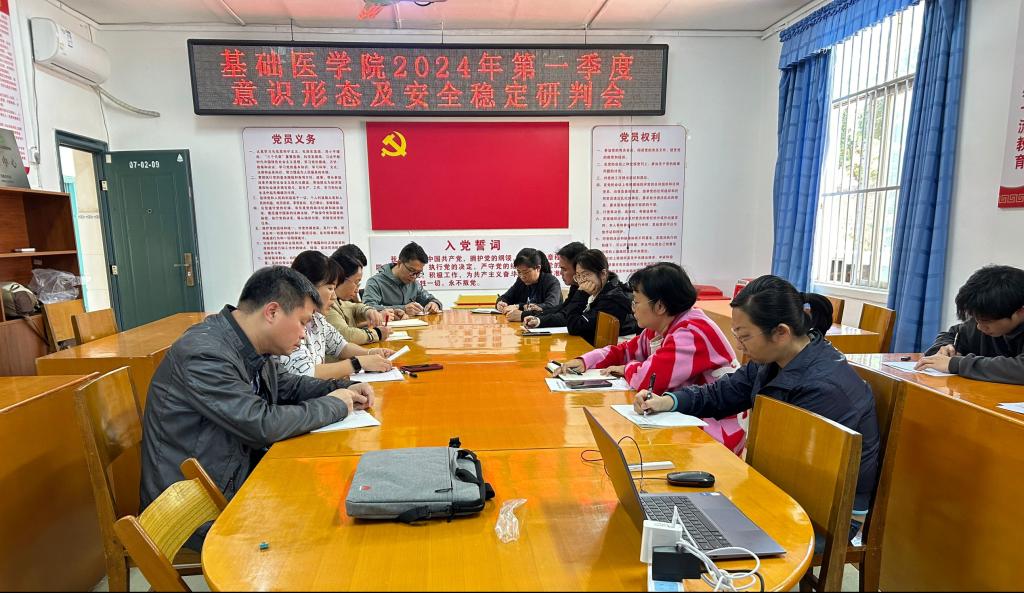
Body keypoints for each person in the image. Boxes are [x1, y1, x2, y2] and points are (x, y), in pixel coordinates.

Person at [140, 266, 375, 547]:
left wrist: (341, 387)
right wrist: (334, 405)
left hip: (234, 477)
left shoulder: (246, 343)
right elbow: (261, 424)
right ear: (272, 312)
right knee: (328, 527)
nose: (304, 334)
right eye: (302, 322)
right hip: (199, 509)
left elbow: (287, 386)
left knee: (336, 496)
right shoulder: (204, 353)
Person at [633, 275, 880, 522]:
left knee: (682, 513)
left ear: (781, 332)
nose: (739, 346)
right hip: (781, 489)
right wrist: (667, 401)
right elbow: (721, 393)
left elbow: (797, 478)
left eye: (745, 336)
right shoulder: (773, 360)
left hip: (821, 514)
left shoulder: (823, 388)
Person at [552, 262, 747, 453]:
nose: (633, 308)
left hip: (716, 430)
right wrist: (584, 361)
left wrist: (628, 368)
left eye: (636, 302)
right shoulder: (661, 327)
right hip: (689, 416)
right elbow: (624, 351)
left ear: (660, 306)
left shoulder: (691, 331)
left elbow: (649, 380)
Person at [279, 251, 395, 378]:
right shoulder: (289, 325)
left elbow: (341, 347)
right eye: (330, 288)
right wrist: (357, 363)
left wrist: (371, 353)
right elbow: (306, 373)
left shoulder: (317, 319)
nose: (334, 296)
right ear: (308, 286)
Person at [917, 265, 1024, 384]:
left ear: (1020, 311)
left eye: (986, 321)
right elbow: (952, 334)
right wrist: (945, 348)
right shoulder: (984, 320)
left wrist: (956, 364)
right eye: (976, 319)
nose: (979, 327)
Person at [523, 248, 637, 345]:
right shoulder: (598, 290)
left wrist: (581, 294)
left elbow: (574, 327)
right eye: (578, 276)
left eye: (586, 275)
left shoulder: (612, 299)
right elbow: (566, 310)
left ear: (603, 274)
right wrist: (538, 318)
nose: (582, 281)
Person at [507, 241, 587, 323]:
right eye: (519, 272)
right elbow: (561, 309)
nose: (522, 276)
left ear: (579, 268)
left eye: (564, 269)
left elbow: (564, 315)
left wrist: (525, 315)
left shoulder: (586, 290)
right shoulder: (575, 286)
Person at [325, 252, 396, 344]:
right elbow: (345, 335)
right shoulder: (327, 303)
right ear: (341, 278)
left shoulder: (339, 300)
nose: (357, 290)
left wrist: (368, 311)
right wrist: (377, 333)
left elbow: (354, 307)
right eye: (356, 282)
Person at [363, 241, 443, 315]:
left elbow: (430, 299)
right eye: (411, 270)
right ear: (399, 263)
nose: (414, 276)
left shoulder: (414, 284)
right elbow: (368, 308)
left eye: (418, 273)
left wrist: (434, 304)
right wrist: (403, 309)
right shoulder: (376, 282)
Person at [495, 248, 563, 321]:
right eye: (519, 272)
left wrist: (519, 308)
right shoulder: (520, 282)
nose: (522, 276)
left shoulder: (551, 282)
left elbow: (551, 307)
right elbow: (506, 297)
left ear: (538, 268)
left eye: (526, 272)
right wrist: (501, 303)